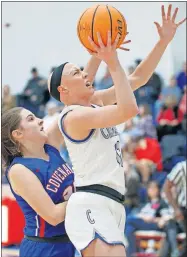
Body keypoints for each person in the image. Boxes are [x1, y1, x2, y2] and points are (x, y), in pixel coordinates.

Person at [48, 5, 186, 257]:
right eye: (76, 73)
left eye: (81, 69)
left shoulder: (95, 101)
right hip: (91, 201)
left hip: (113, 202)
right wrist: (111, 61)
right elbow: (128, 109)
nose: (85, 73)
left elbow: (138, 78)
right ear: (63, 91)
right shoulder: (73, 116)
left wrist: (163, 41)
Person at [2, 107, 75, 257]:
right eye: (31, 119)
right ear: (18, 134)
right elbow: (53, 216)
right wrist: (90, 193)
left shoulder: (51, 146)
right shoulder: (19, 170)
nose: (40, 120)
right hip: (44, 248)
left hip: (69, 241)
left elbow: (71, 112)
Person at [125, 181, 179, 257]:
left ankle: (131, 253)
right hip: (142, 222)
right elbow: (136, 213)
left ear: (158, 190)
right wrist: (142, 216)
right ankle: (132, 253)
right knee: (129, 228)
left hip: (153, 224)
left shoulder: (161, 203)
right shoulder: (145, 203)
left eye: (154, 188)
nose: (152, 190)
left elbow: (165, 217)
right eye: (150, 188)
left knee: (129, 220)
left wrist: (154, 218)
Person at [163, 161, 186, 257]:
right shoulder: (182, 167)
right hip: (184, 210)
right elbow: (166, 188)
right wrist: (176, 209)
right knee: (170, 226)